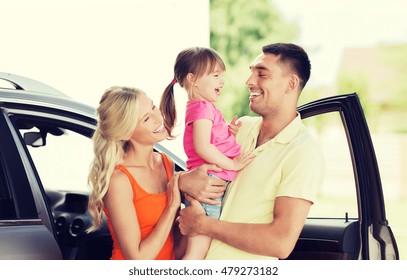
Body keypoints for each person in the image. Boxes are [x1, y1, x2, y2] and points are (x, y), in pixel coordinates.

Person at [178, 43, 325, 260]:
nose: (249, 82)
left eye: (261, 74)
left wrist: (203, 225)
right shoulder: (240, 128)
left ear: (291, 83)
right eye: (251, 73)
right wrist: (182, 180)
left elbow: (280, 243)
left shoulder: (303, 153)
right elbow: (200, 166)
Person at [160, 47, 255, 259]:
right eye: (215, 75)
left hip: (209, 183)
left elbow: (209, 141)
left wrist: (227, 134)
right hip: (208, 184)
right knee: (198, 253)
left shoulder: (204, 107)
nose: (222, 81)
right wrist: (233, 164)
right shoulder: (201, 108)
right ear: (192, 79)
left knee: (201, 250)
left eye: (221, 75)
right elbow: (202, 147)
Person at [86, 86, 182, 260]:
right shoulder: (119, 180)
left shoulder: (166, 163)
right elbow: (137, 259)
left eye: (153, 107)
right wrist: (172, 207)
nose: (158, 117)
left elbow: (172, 237)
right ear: (126, 132)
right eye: (146, 119)